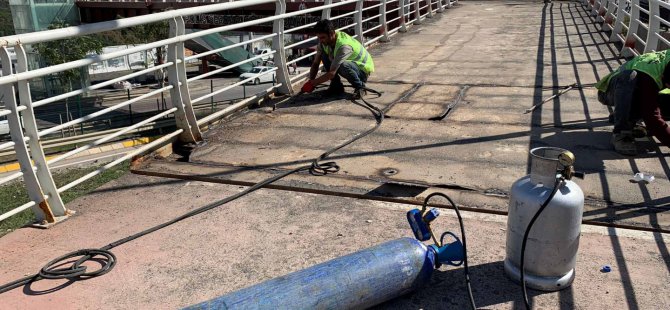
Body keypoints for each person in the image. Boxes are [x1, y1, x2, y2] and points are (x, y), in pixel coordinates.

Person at [596, 50, 670, 155]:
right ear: (663, 77)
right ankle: (621, 134)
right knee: (629, 76)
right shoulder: (649, 74)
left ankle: (628, 116)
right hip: (609, 92)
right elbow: (651, 115)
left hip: (638, 92)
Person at [301, 19, 374, 98]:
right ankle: (336, 86)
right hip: (351, 64)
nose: (320, 40)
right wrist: (310, 81)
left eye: (323, 37)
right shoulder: (324, 43)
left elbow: (332, 73)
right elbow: (315, 63)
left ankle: (360, 87)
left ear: (332, 34)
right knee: (324, 54)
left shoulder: (343, 46)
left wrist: (314, 83)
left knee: (343, 65)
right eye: (319, 38)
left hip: (362, 70)